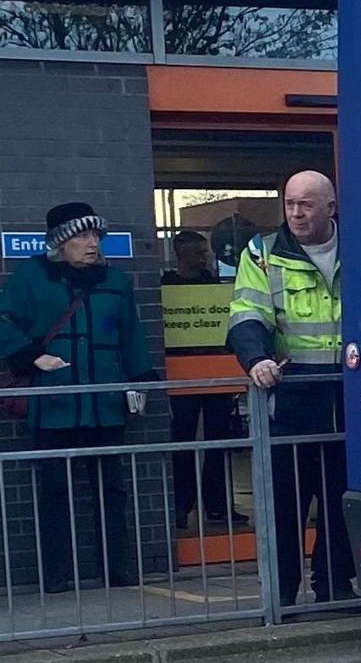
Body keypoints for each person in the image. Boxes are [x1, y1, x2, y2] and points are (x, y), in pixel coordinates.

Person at [0, 202, 150, 593]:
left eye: (96, 236)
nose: (92, 244)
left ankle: (117, 570)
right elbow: (3, 321)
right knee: (53, 492)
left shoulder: (115, 281)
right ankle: (56, 577)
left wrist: (139, 382)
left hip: (104, 403)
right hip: (52, 404)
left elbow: (131, 333)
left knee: (111, 489)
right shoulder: (31, 277)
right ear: (60, 242)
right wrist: (32, 355)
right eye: (82, 236)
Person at [227, 172, 356, 608]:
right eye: (289, 204)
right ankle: (280, 597)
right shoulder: (263, 254)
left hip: (350, 394)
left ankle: (334, 587)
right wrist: (256, 358)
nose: (296, 213)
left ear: (330, 208)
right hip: (293, 393)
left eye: (306, 205)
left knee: (342, 499)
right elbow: (246, 313)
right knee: (286, 503)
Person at [159, 231, 240, 533]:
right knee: (182, 440)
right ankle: (182, 505)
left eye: (204, 252)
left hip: (216, 370)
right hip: (182, 374)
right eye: (197, 252)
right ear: (181, 254)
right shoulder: (168, 286)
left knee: (218, 441)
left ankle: (217, 505)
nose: (204, 257)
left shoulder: (215, 285)